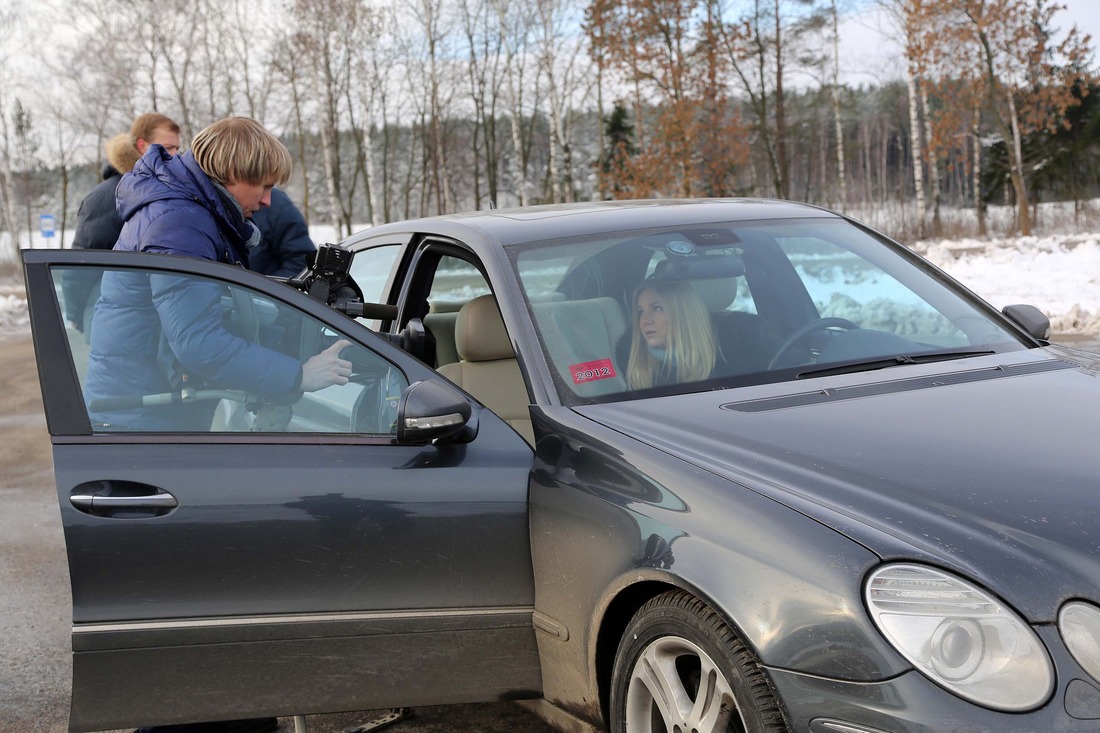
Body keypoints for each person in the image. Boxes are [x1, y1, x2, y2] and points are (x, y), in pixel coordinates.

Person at [84, 116, 351, 437]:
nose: (267, 200)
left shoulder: (187, 212)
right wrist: (298, 375)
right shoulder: (180, 225)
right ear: (234, 174)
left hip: (143, 408)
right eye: (264, 186)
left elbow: (209, 312)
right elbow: (199, 343)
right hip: (139, 418)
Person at [62, 132, 143, 331]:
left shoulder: (104, 195)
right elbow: (83, 261)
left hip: (114, 313)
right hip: (114, 313)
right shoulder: (112, 196)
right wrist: (75, 313)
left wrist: (76, 312)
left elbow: (79, 263)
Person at [626, 279, 718, 389]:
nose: (644, 320)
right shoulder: (634, 369)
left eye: (657, 308)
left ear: (683, 314)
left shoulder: (731, 360)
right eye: (641, 311)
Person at [249, 186, 316, 277]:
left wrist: (260, 288)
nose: (266, 201)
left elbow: (302, 261)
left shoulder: (278, 207)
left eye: (268, 186)